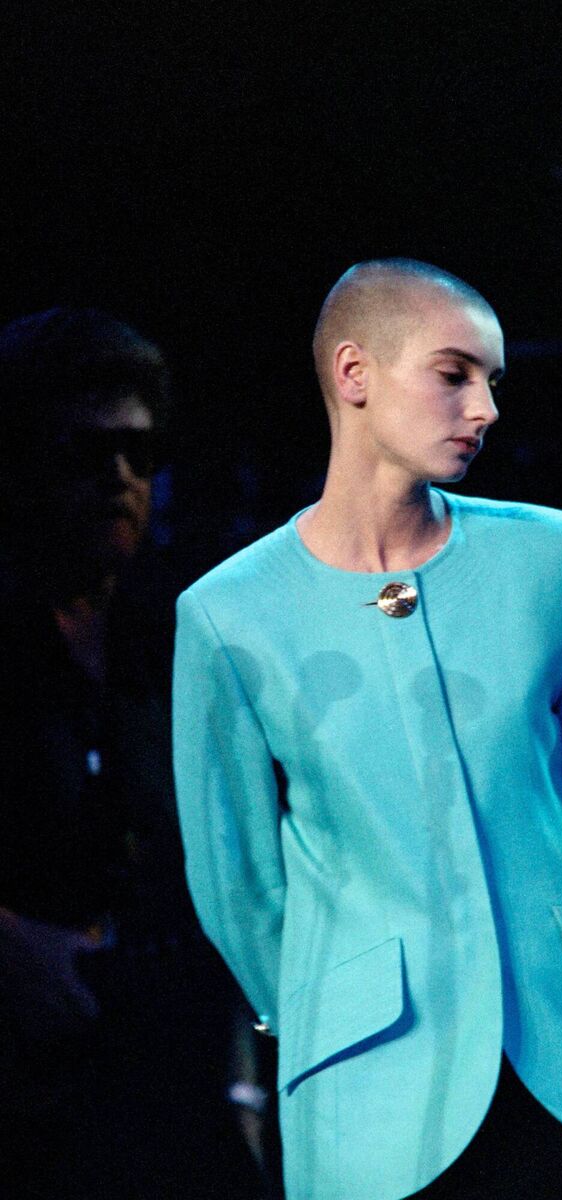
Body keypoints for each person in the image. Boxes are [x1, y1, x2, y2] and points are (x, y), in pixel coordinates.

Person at [172, 258, 562, 1200]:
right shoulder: (231, 613)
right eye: (454, 375)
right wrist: (330, 1000)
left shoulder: (549, 553)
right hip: (372, 1084)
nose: (484, 408)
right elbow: (235, 880)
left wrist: (536, 897)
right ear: (355, 375)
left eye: (492, 382)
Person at [0, 308, 263, 1199]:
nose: (118, 476)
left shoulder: (173, 645)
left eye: (138, 455)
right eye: (85, 453)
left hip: (155, 1095)